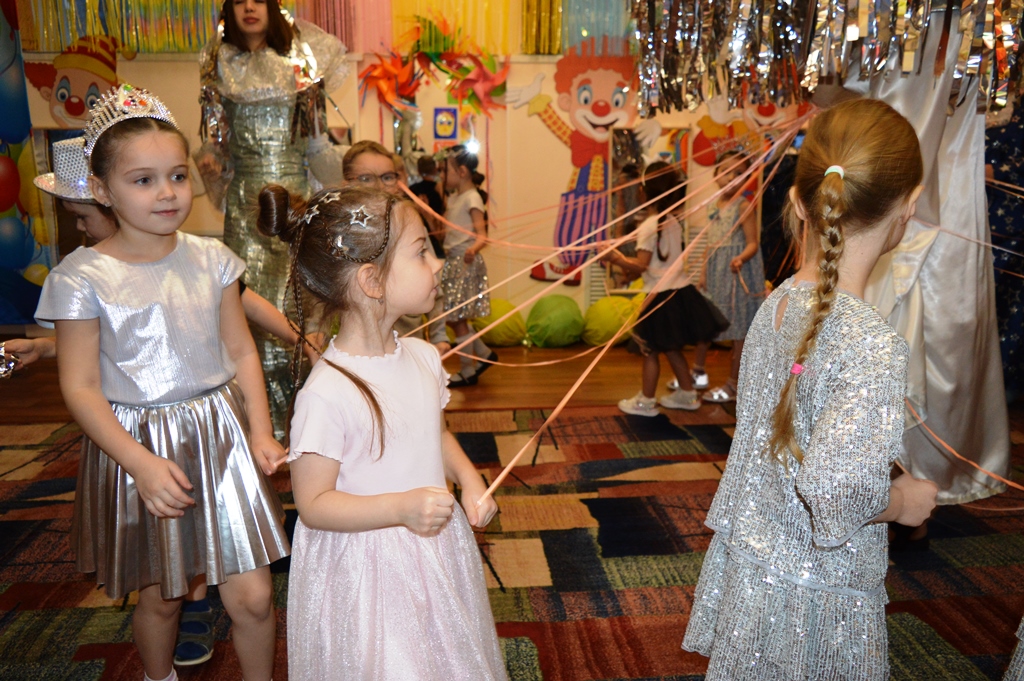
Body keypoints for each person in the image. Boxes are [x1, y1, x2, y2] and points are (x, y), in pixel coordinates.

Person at [34, 84, 289, 681]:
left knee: (254, 596)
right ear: (101, 190)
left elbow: (240, 349)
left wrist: (260, 430)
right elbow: (81, 387)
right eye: (143, 180)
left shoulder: (212, 259)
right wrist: (140, 464)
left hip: (221, 435)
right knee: (164, 595)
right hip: (141, 445)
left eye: (176, 175)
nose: (167, 192)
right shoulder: (81, 277)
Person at [682, 99, 939, 679]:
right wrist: (904, 504)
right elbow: (834, 492)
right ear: (910, 206)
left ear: (798, 202)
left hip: (757, 571)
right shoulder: (871, 342)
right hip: (816, 593)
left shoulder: (775, 305)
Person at [255, 184, 507, 679]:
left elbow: (434, 434)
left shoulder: (425, 357)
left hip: (432, 547)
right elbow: (313, 504)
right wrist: (400, 507)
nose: (438, 264)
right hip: (367, 569)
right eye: (421, 252)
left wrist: (470, 480)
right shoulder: (327, 392)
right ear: (372, 280)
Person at [195, 0, 349, 439]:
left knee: (296, 305)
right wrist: (209, 162)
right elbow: (217, 146)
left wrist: (347, 189)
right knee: (245, 307)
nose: (249, 7)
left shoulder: (304, 65)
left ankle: (309, 422)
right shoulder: (217, 65)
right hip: (246, 211)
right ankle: (259, 425)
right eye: (239, 0)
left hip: (294, 202)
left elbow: (317, 147)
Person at [602, 161, 728, 415]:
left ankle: (646, 401)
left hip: (660, 297)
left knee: (649, 349)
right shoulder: (671, 221)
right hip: (680, 293)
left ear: (643, 192)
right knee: (671, 347)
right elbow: (658, 264)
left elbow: (642, 264)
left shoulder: (649, 226)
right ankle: (688, 394)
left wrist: (615, 258)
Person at [692, 150, 766, 402]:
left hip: (736, 274)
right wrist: (703, 272)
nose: (731, 178)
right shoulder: (713, 207)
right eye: (726, 172)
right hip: (716, 273)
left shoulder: (743, 206)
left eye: (738, 173)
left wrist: (741, 258)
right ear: (716, 175)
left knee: (738, 329)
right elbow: (710, 244)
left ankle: (734, 384)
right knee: (708, 322)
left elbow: (753, 243)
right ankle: (698, 373)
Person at [439, 144, 496, 387]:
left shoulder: (472, 198)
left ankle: (468, 370)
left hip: (465, 263)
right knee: (453, 318)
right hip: (453, 263)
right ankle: (484, 355)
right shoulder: (455, 197)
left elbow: (483, 235)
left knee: (457, 318)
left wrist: (473, 249)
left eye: (445, 171)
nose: (442, 176)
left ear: (462, 172)